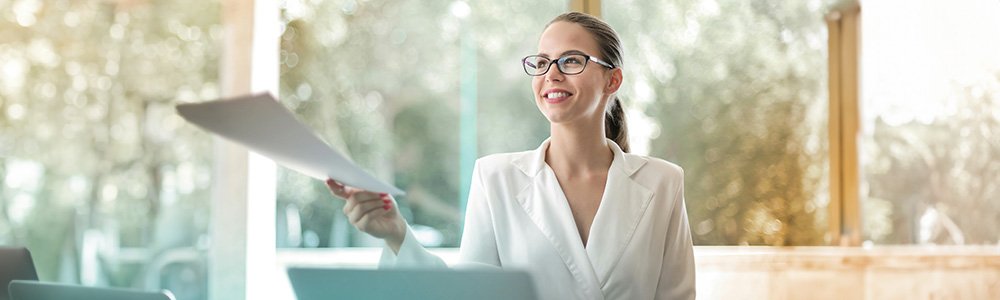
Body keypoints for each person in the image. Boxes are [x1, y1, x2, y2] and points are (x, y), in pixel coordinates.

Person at [326, 12, 695, 300]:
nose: (551, 74)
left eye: (571, 61)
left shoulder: (662, 182)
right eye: (542, 62)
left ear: (612, 80)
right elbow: (468, 295)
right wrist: (397, 235)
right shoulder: (495, 178)